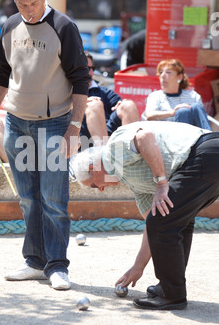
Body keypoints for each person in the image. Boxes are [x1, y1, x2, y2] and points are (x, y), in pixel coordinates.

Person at [0, 0, 90, 290]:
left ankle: (57, 265)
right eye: (21, 3)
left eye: (32, 2)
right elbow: (0, 75)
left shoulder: (64, 27)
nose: (28, 9)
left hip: (56, 123)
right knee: (29, 198)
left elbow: (81, 79)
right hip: (16, 123)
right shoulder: (9, 26)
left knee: (54, 198)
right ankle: (34, 261)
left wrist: (74, 126)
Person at [70, 120, 219, 310]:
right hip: (208, 158)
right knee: (171, 217)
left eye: (93, 184)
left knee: (165, 222)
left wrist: (161, 183)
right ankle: (171, 287)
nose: (99, 190)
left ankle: (172, 294)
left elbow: (144, 137)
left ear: (92, 168)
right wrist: (138, 267)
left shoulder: (112, 151)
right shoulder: (135, 184)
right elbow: (152, 224)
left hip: (205, 152)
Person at [80, 52, 140, 148]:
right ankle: (103, 155)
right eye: (86, 68)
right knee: (94, 105)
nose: (90, 73)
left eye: (92, 68)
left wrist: (121, 105)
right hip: (82, 137)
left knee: (128, 105)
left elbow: (118, 104)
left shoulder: (103, 91)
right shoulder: (65, 93)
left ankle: (131, 153)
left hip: (108, 133)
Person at [143, 59, 211, 130]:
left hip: (194, 134)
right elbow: (149, 115)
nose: (162, 76)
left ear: (179, 77)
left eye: (168, 72)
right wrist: (172, 113)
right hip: (168, 135)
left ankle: (209, 138)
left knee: (196, 106)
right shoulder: (155, 96)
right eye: (161, 72)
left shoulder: (193, 96)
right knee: (182, 111)